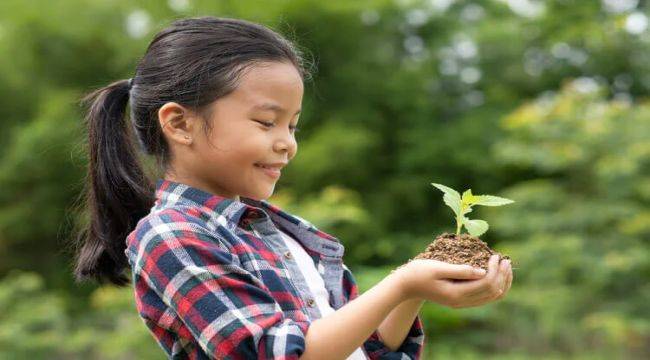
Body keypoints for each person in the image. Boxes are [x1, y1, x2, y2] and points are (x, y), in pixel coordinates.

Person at [73, 16, 512, 360]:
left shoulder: (289, 233)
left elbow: (364, 347)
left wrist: (413, 290)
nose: (287, 142)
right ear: (180, 124)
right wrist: (400, 284)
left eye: (292, 125)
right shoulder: (171, 235)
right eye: (266, 122)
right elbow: (280, 354)